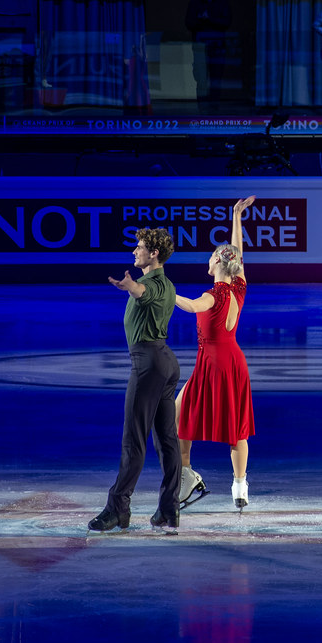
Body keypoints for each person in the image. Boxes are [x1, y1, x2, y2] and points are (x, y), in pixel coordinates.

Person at [88, 228, 183, 532]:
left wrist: (131, 286)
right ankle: (169, 510)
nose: (134, 251)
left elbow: (145, 294)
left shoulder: (152, 284)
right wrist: (133, 286)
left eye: (140, 247)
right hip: (166, 362)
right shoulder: (168, 283)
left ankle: (118, 508)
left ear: (153, 254)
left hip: (147, 366)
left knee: (134, 440)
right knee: (167, 441)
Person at [174, 196, 257, 512]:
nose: (206, 262)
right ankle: (239, 485)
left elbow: (193, 306)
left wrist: (166, 293)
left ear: (217, 264)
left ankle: (185, 474)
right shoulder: (239, 286)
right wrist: (236, 217)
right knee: (235, 428)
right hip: (234, 361)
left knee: (178, 414)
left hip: (212, 364)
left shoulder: (212, 295)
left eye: (210, 258)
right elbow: (238, 252)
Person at [185, 0, 231, 108]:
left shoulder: (222, 3)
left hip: (217, 47)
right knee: (201, 79)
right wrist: (202, 20)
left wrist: (209, 19)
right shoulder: (194, 4)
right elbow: (189, 23)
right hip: (199, 47)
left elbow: (226, 22)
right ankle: (202, 110)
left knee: (216, 79)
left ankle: (214, 110)